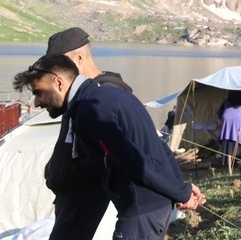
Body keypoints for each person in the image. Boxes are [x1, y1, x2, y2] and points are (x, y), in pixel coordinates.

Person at [13, 54, 205, 240]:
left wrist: (182, 191)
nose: (37, 102)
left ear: (58, 82)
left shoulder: (90, 111)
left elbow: (133, 161)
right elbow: (160, 147)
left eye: (39, 93)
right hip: (154, 207)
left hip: (140, 210)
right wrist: (180, 189)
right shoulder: (114, 94)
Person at [42, 27, 134, 240]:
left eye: (58, 64)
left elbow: (104, 153)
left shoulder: (102, 94)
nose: (53, 72)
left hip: (84, 197)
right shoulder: (78, 93)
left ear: (80, 57)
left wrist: (68, 175)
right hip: (69, 197)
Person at [47, 27, 134, 92]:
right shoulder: (92, 89)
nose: (55, 71)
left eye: (60, 63)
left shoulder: (104, 93)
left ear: (79, 58)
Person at [217, 91, 241, 167]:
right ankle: (235, 162)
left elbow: (219, 111)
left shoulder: (227, 100)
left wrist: (219, 120)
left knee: (226, 140)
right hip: (236, 121)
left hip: (226, 120)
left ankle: (225, 162)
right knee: (236, 140)